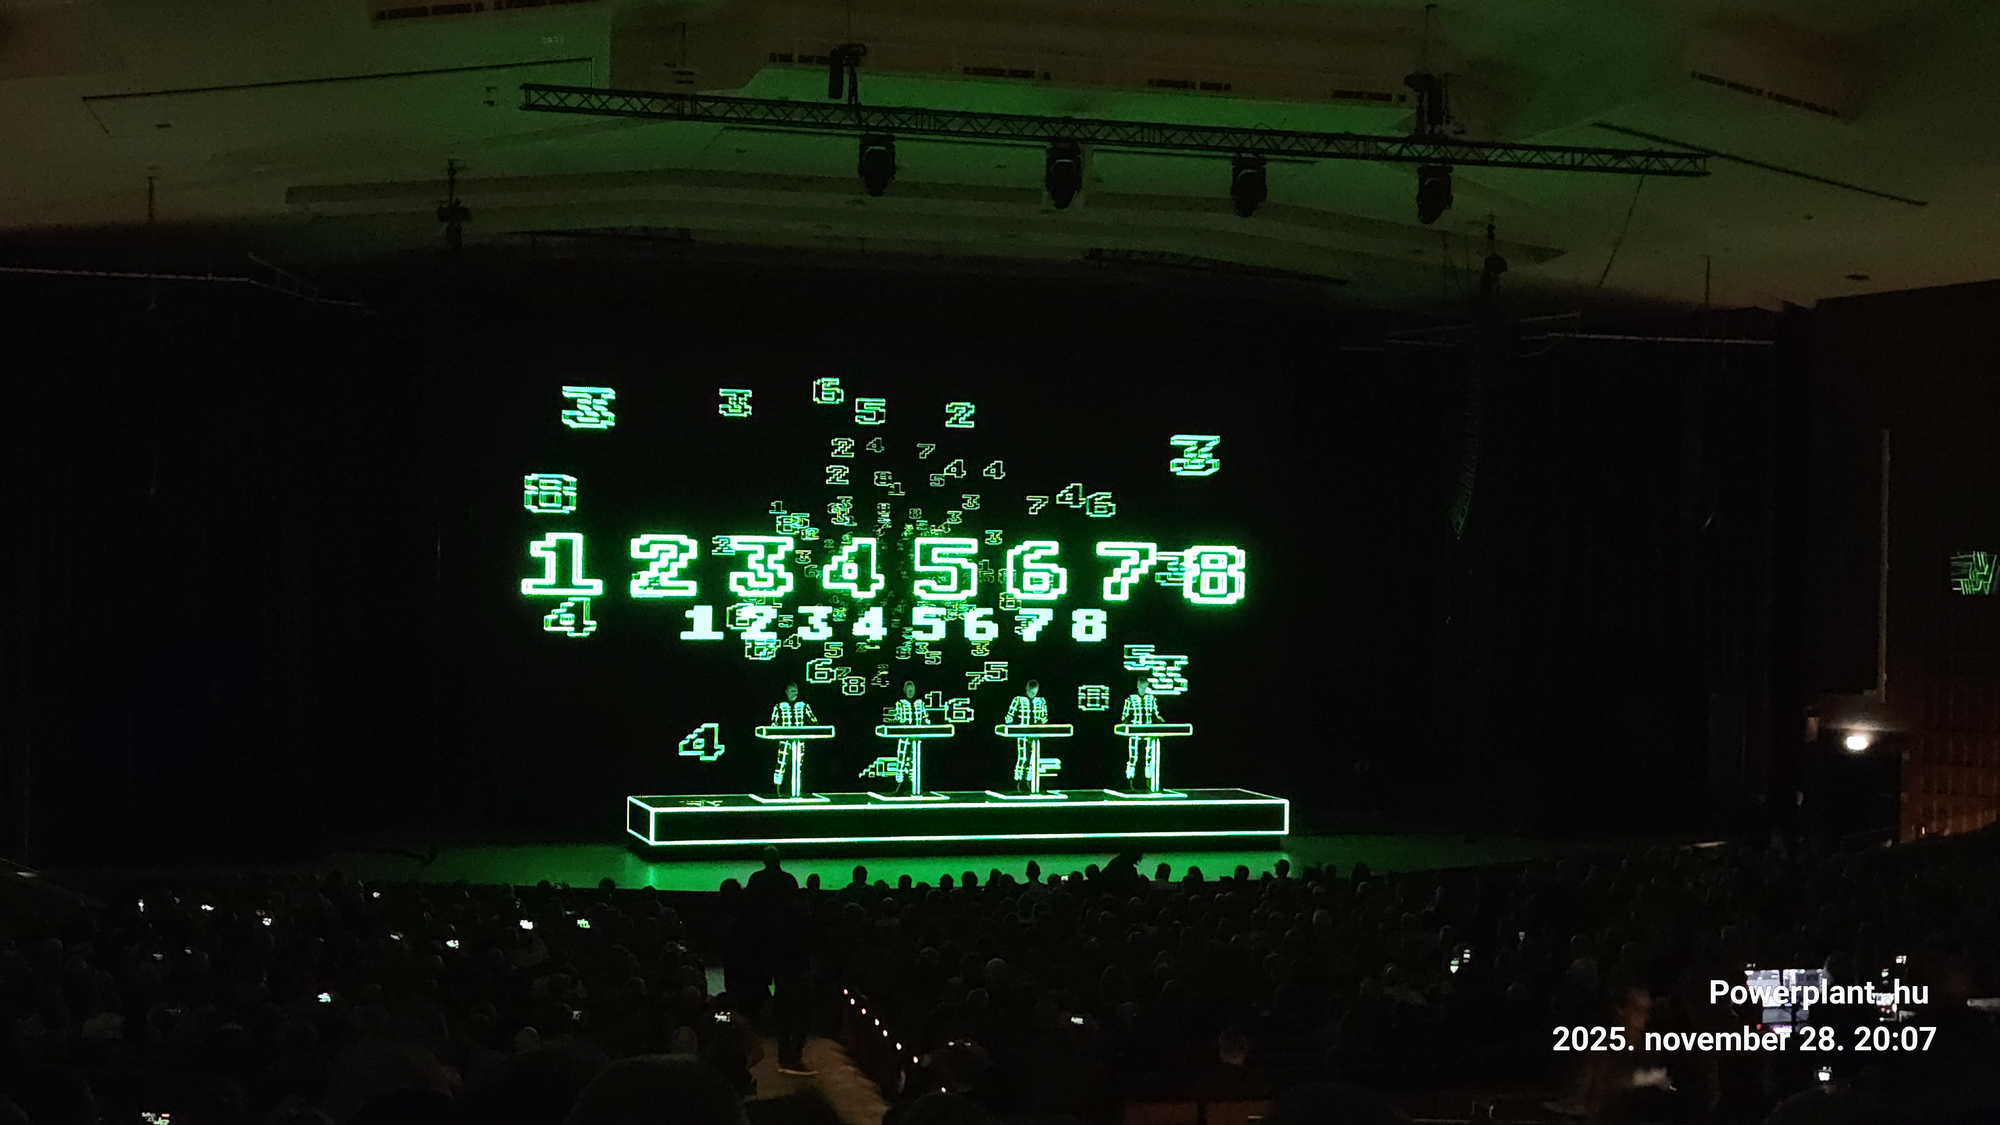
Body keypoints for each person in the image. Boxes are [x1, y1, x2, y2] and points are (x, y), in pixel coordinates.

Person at [863, 681, 929, 796]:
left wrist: (926, 726)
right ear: (905, 691)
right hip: (904, 738)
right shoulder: (900, 704)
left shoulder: (920, 703)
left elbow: (925, 718)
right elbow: (897, 718)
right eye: (908, 690)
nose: (910, 692)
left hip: (917, 738)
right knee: (902, 760)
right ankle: (900, 784)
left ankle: (914, 785)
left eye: (912, 689)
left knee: (915, 761)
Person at [770, 683, 816, 797]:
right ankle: (778, 789)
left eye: (796, 690)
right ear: (786, 692)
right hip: (784, 739)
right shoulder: (779, 706)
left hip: (799, 739)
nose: (795, 693)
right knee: (781, 762)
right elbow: (774, 723)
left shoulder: (804, 706)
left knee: (798, 763)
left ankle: (797, 789)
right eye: (792, 690)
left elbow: (813, 721)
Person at [1005, 680, 1051, 793]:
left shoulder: (1041, 701)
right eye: (1031, 690)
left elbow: (1044, 717)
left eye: (1035, 691)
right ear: (1026, 689)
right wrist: (1009, 723)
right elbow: (1010, 716)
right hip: (1022, 733)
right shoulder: (1018, 700)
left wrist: (1041, 724)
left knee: (1032, 758)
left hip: (1035, 735)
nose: (1033, 693)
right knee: (1023, 757)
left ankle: (1029, 780)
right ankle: (1019, 781)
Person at [1119, 675, 1164, 792]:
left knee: (1149, 757)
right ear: (1138, 686)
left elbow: (1156, 714)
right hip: (1135, 731)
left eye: (1145, 686)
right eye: (1142, 686)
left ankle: (1148, 781)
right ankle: (1130, 781)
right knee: (1133, 757)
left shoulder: (1151, 698)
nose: (1144, 689)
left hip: (1148, 731)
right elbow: (1125, 716)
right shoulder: (1130, 699)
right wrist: (1124, 725)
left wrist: (1162, 722)